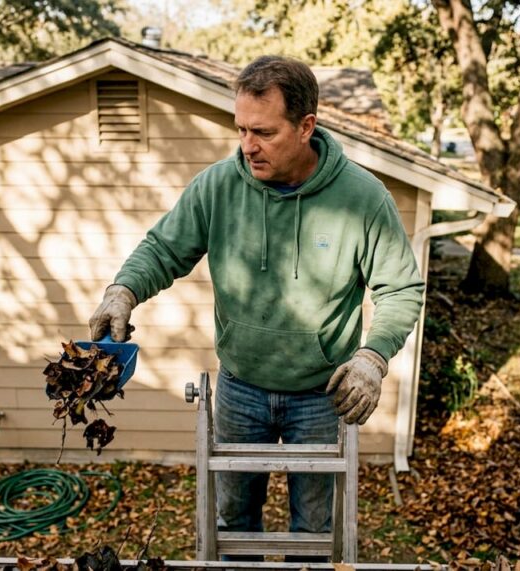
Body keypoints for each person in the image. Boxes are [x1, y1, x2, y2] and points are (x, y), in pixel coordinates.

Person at [88, 55, 424, 560]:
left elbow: (400, 289)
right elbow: (164, 249)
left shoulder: (363, 198)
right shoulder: (218, 186)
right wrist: (123, 291)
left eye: (263, 132)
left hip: (322, 394)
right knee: (232, 525)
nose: (248, 145)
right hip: (240, 388)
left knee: (313, 532)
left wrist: (372, 359)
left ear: (306, 126)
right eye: (241, 129)